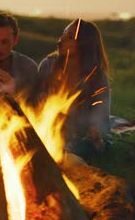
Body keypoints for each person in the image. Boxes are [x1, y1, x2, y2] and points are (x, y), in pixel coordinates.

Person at [37, 18, 111, 158]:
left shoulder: (96, 77)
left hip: (79, 135)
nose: (61, 39)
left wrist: (96, 130)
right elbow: (37, 101)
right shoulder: (48, 65)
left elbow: (102, 116)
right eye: (63, 33)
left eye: (70, 37)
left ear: (84, 44)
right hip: (50, 129)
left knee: (90, 147)